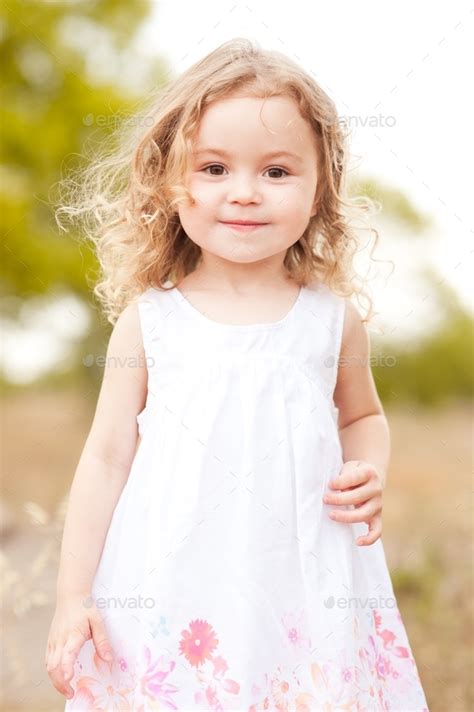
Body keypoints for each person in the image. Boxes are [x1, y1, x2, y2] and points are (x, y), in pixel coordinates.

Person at [46, 37, 429, 711]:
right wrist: (73, 596)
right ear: (170, 184)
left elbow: (363, 416)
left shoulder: (329, 321)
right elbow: (106, 458)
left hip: (302, 575)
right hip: (173, 580)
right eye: (214, 168)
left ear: (320, 190)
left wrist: (370, 468)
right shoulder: (151, 321)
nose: (245, 194)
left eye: (277, 172)